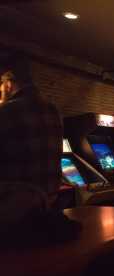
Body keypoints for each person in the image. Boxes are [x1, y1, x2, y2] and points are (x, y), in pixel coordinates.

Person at [0, 53, 63, 207]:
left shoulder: (8, 111)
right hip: (50, 202)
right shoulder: (52, 110)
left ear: (8, 83)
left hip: (16, 208)